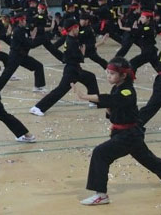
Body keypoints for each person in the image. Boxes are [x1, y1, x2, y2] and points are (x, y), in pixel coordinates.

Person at [71, 57, 161, 205]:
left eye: (112, 74)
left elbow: (112, 100)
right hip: (126, 134)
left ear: (123, 75)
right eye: (107, 73)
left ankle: (101, 195)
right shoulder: (117, 88)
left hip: (129, 135)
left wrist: (84, 96)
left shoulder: (127, 91)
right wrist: (109, 110)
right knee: (149, 160)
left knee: (100, 153)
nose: (108, 76)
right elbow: (111, 106)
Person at [30, 19, 99, 116]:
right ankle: (38, 107)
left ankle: (94, 101)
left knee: (90, 77)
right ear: (73, 28)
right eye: (77, 28)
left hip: (76, 69)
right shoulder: (71, 42)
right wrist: (82, 53)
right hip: (71, 71)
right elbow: (77, 57)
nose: (78, 30)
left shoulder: (72, 39)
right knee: (60, 91)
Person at [0, 12, 46, 92]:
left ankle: (38, 86)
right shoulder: (18, 31)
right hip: (15, 56)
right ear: (20, 21)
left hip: (22, 56)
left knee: (38, 66)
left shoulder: (22, 30)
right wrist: (38, 40)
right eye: (24, 20)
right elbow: (28, 44)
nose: (25, 21)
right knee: (6, 75)